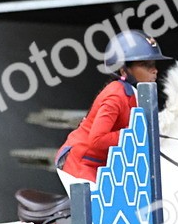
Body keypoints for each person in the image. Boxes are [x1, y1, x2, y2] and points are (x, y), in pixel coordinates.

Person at [56, 30, 171, 192]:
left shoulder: (137, 94)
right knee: (103, 211)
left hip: (100, 165)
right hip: (80, 163)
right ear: (124, 71)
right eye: (146, 65)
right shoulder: (115, 96)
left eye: (153, 65)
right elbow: (97, 140)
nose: (154, 70)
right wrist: (136, 134)